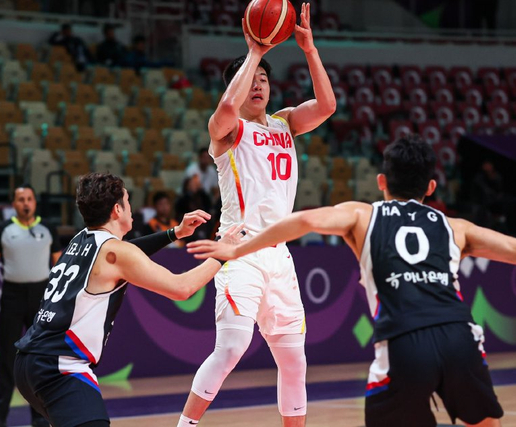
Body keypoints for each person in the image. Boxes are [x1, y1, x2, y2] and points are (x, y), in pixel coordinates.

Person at [189, 134, 516, 427]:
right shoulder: (456, 227)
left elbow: (302, 221)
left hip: (404, 344)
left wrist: (236, 250)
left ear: (382, 181)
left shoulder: (362, 215)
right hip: (461, 338)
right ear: (432, 188)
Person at [177, 4, 336, 427]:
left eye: (264, 79)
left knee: (294, 361)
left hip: (279, 255)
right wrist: (254, 53)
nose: (259, 85)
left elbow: (327, 105)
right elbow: (225, 111)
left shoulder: (285, 123)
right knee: (231, 348)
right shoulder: (228, 131)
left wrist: (309, 49)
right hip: (239, 249)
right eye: (251, 80)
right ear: (238, 86)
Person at [13, 173, 240, 427]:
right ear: (117, 209)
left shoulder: (82, 239)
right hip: (60, 367)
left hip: (28, 360)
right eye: (128, 200)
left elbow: (130, 252)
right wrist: (222, 253)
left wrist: (175, 233)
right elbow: (182, 288)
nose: (132, 207)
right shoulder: (115, 252)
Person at [0, 185, 61, 427]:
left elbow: (60, 266)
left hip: (40, 297)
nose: (25, 203)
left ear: (35, 203)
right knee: (7, 357)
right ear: (13, 204)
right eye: (21, 199)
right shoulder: (3, 229)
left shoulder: (48, 228)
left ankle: (40, 416)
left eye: (29, 199)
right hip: (12, 296)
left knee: (39, 356)